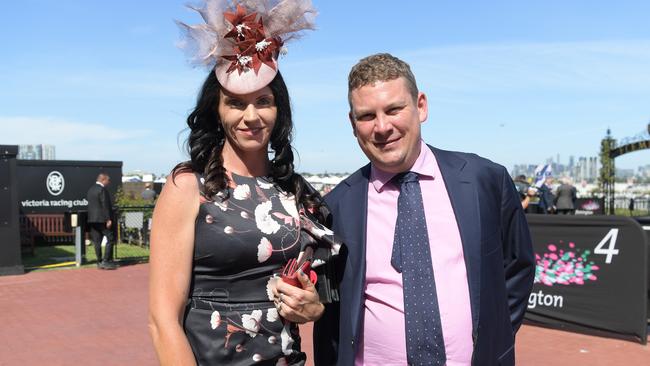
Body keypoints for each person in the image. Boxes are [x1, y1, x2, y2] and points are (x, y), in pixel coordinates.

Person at [314, 53, 535, 366]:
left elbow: (518, 266)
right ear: (352, 124)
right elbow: (330, 310)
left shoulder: (485, 180)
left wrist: (492, 338)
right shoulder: (336, 206)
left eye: (394, 109)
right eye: (366, 116)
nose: (382, 127)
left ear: (421, 106)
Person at [148, 1, 333, 365]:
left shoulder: (292, 190)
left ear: (279, 111)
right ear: (216, 111)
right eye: (235, 103)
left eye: (263, 102)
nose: (251, 117)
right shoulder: (188, 186)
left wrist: (314, 308)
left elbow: (321, 291)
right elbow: (161, 321)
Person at [86, 173, 117, 270]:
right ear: (103, 180)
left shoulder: (90, 190)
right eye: (108, 180)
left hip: (92, 219)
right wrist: (108, 219)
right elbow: (105, 205)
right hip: (102, 219)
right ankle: (106, 260)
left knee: (97, 241)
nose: (109, 182)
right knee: (110, 238)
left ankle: (99, 261)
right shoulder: (102, 190)